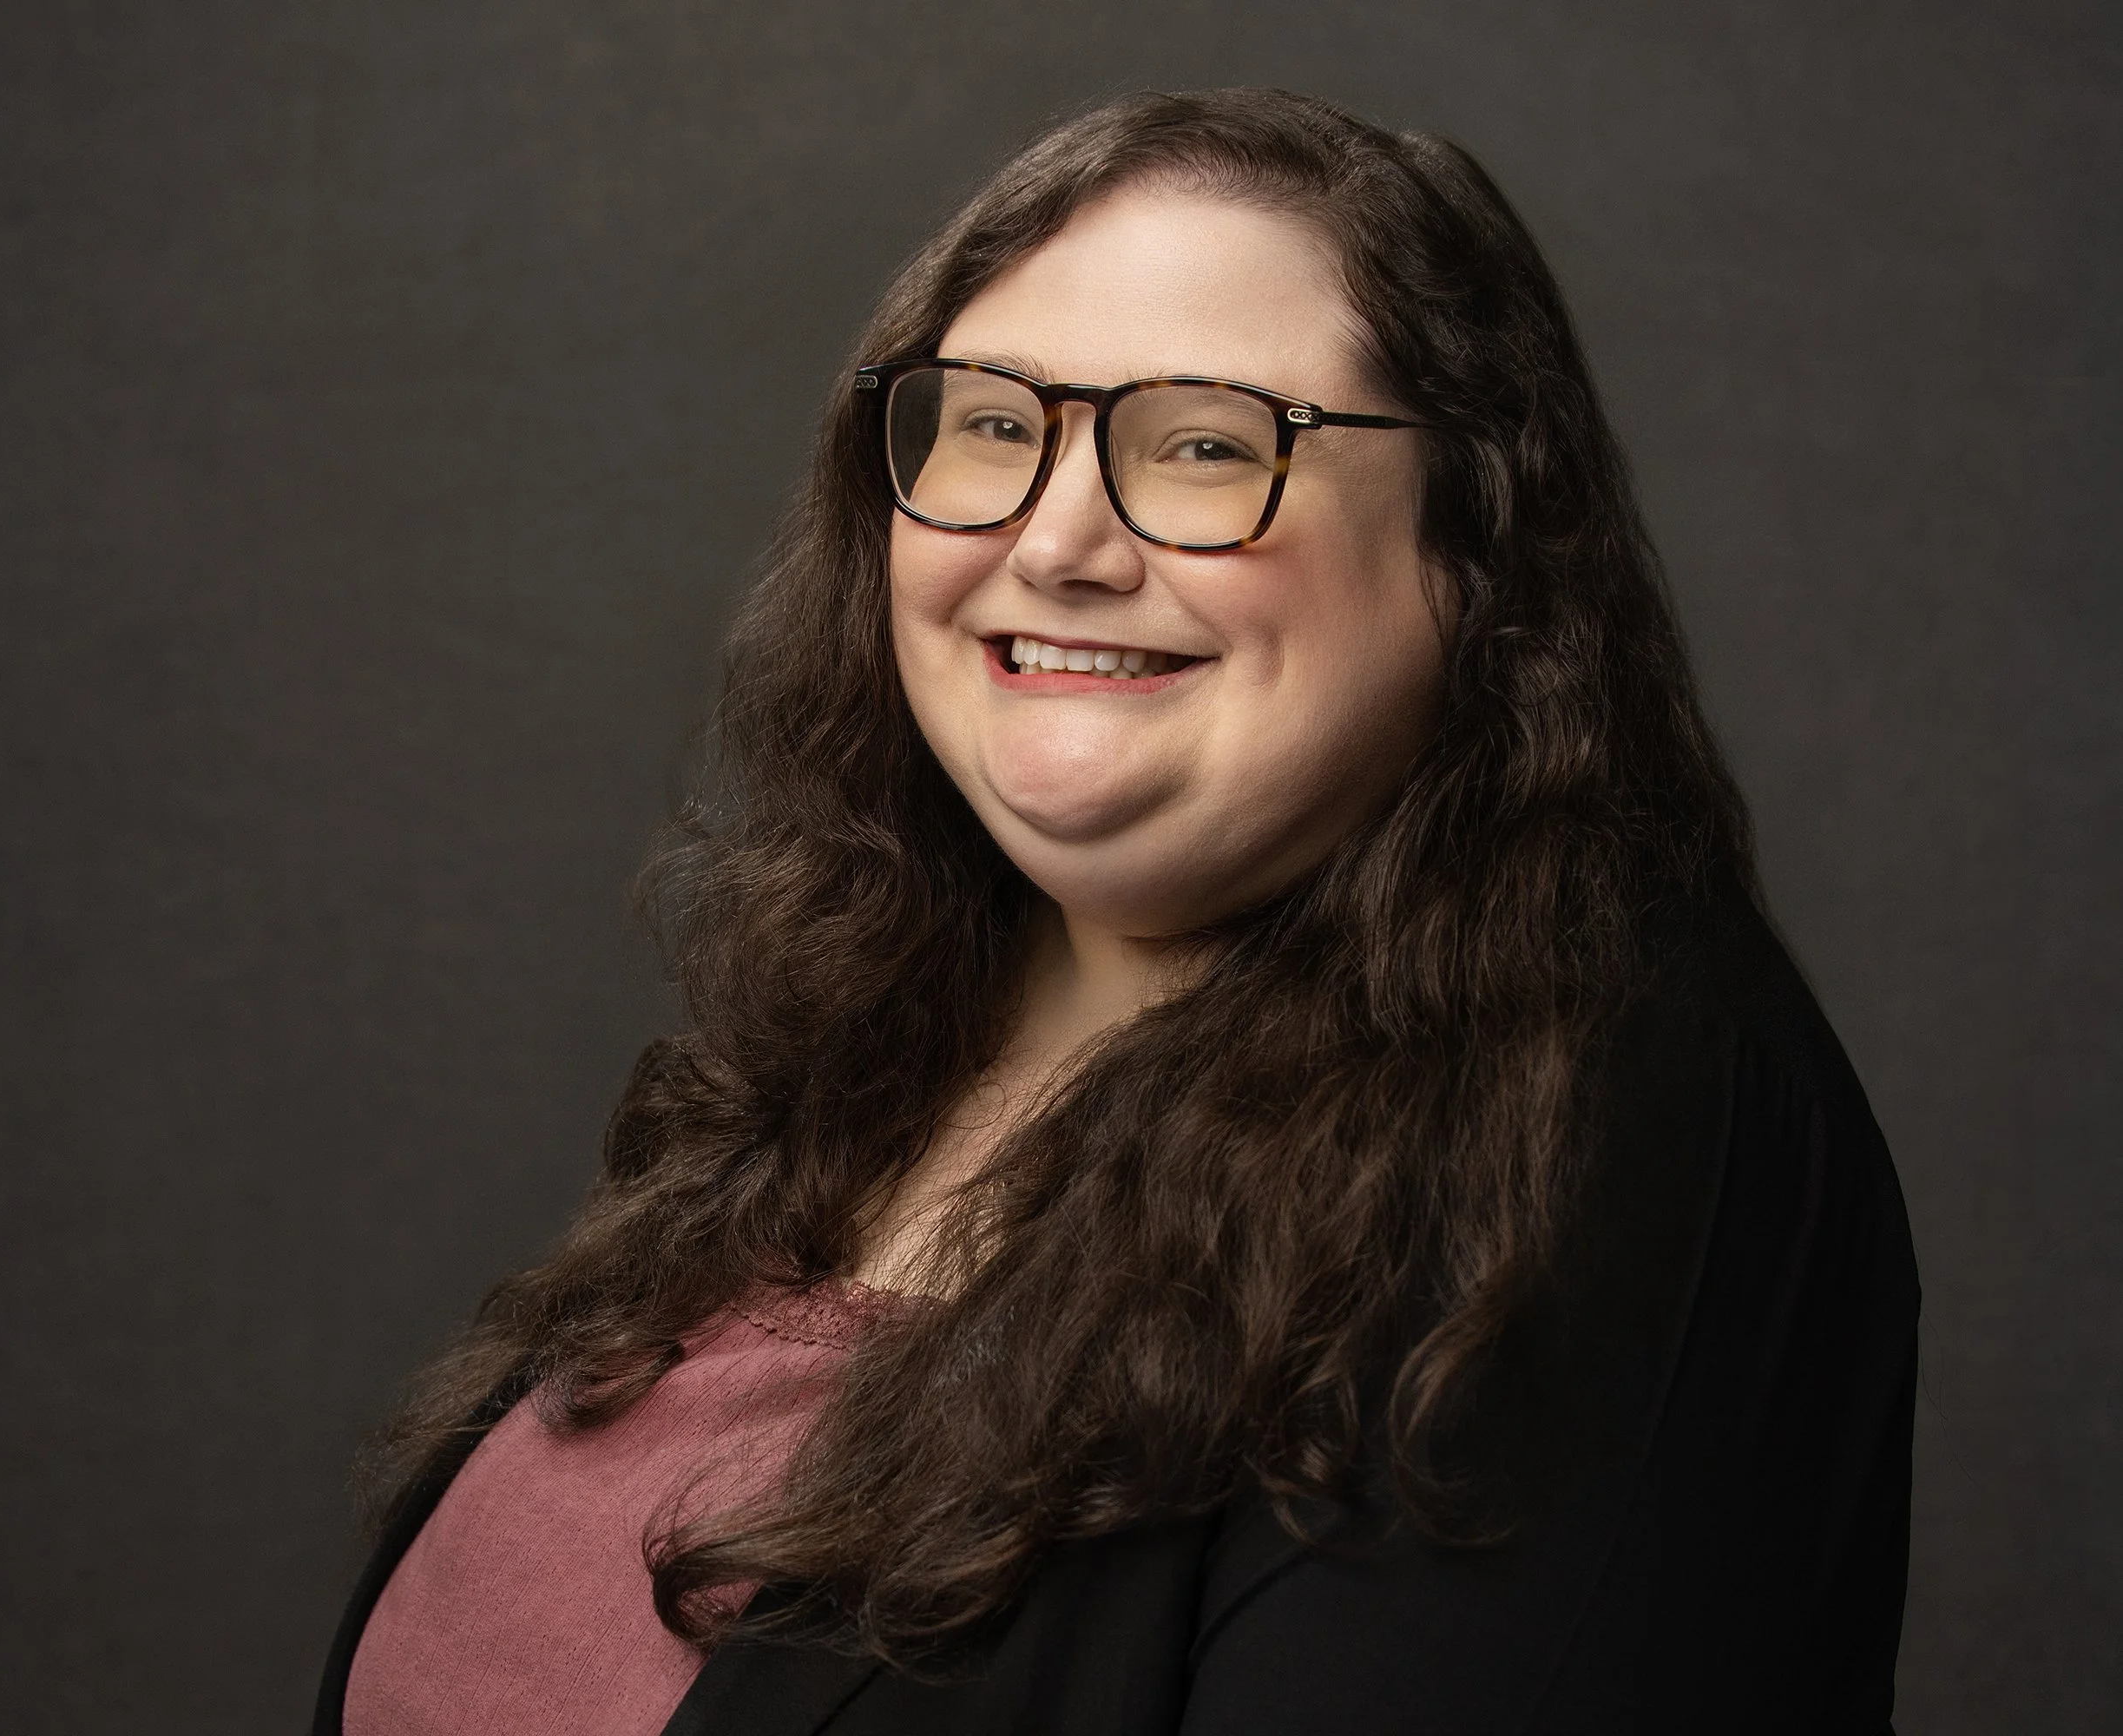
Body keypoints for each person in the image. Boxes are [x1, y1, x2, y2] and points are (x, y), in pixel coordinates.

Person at [317, 89, 1919, 1735]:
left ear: (1477, 542)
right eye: (996, 428)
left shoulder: (1608, 1132)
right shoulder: (866, 1046)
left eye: (1209, 444)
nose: (1061, 539)